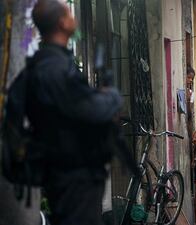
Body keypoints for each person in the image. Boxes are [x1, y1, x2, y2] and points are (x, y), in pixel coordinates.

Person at [29, 1, 122, 225]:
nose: (74, 17)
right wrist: (110, 97)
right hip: (73, 177)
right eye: (69, 13)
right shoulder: (55, 68)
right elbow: (90, 110)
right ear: (62, 22)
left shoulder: (52, 63)